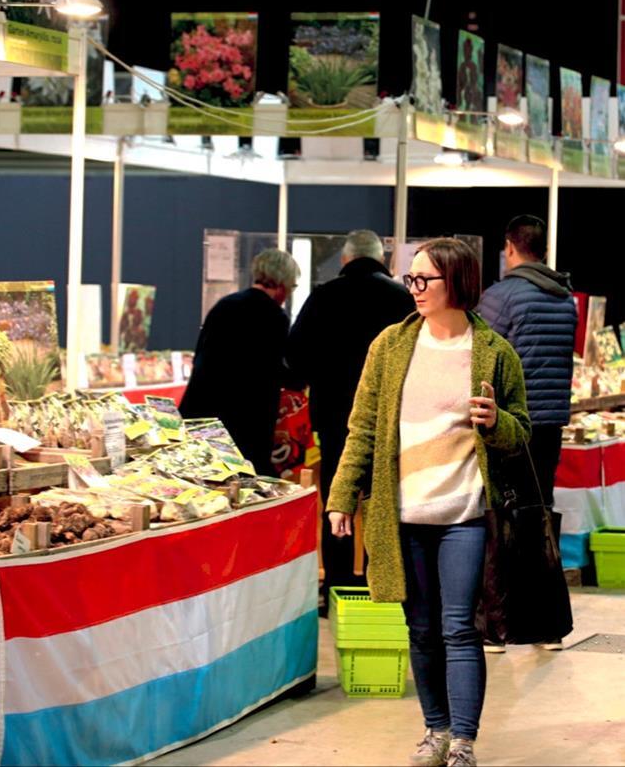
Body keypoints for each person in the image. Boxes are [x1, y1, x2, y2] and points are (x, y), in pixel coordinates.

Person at [326, 238, 530, 767]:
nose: (413, 289)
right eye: (410, 279)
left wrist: (496, 423)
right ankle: (434, 730)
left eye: (424, 280)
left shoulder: (494, 352)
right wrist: (342, 495)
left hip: (464, 513)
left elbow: (521, 430)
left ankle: (463, 740)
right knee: (419, 627)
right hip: (402, 515)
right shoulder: (390, 346)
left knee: (459, 626)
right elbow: (363, 427)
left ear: (457, 282)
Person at [286, 230, 414, 610]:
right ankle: (383, 588)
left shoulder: (324, 296)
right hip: (388, 420)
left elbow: (295, 356)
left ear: (345, 260)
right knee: (384, 502)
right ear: (384, 261)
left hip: (334, 416)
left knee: (338, 499)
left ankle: (337, 586)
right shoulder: (400, 298)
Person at [477, 215, 577, 653]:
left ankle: (495, 628)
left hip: (511, 424)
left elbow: (481, 354)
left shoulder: (502, 297)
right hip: (551, 422)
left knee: (500, 518)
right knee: (538, 517)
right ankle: (547, 627)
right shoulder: (564, 298)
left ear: (510, 248)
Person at [180, 248, 300, 476]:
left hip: (204, 409)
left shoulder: (224, 305)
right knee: (244, 483)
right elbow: (275, 369)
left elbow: (200, 356)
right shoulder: (275, 317)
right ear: (282, 284)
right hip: (247, 417)